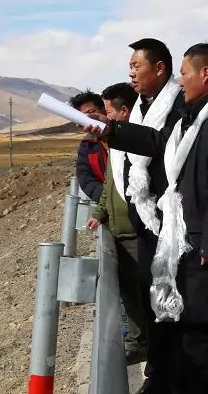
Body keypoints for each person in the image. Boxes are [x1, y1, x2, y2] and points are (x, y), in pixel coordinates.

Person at [86, 44, 208, 393]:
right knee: (188, 330)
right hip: (185, 238)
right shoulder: (197, 115)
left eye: (185, 73)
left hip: (205, 246)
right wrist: (111, 131)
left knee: (206, 335)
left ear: (204, 74)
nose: (181, 80)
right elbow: (158, 141)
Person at [86, 82, 147, 365]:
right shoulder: (116, 147)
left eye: (109, 112)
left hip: (137, 230)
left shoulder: (140, 143)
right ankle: (138, 342)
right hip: (119, 229)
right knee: (129, 293)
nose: (105, 117)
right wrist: (100, 213)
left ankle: (148, 346)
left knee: (144, 293)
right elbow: (110, 185)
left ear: (124, 112)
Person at [69, 90, 108, 202]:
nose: (90, 118)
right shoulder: (87, 145)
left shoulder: (123, 134)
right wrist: (107, 200)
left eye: (92, 112)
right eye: (84, 116)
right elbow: (85, 178)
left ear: (103, 110)